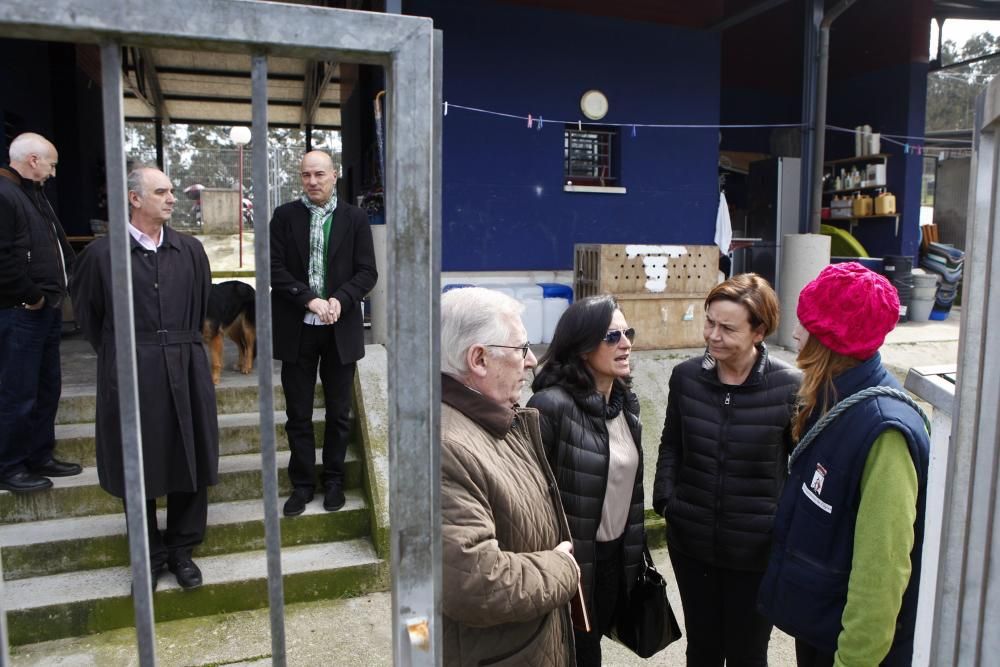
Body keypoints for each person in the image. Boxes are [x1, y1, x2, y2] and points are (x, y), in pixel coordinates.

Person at [758, 262, 931, 666]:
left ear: (832, 341)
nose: (796, 331)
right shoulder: (834, 396)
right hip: (822, 629)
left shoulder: (885, 432)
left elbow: (881, 577)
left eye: (808, 324)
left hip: (848, 650)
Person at [72, 166, 219, 590]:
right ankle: (149, 555)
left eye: (172, 190)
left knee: (188, 455)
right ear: (134, 199)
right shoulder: (102, 256)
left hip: (185, 363)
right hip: (131, 367)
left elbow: (201, 301)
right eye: (161, 191)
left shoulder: (190, 250)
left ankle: (181, 550)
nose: (172, 198)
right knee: (138, 459)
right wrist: (127, 352)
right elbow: (89, 318)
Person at [653, 273, 801, 666]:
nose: (713, 335)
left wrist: (780, 526)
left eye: (727, 327)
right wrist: (667, 501)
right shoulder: (686, 378)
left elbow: (800, 465)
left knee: (747, 653)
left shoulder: (790, 387)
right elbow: (672, 443)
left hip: (755, 551)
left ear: (759, 331)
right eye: (709, 322)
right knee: (701, 648)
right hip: (692, 543)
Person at [440, 287, 580, 666]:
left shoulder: (498, 419)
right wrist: (562, 568)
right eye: (521, 349)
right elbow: (474, 583)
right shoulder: (448, 447)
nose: (532, 360)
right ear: (479, 359)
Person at [527, 295, 646, 666]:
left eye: (627, 333)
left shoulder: (625, 404)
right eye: (612, 336)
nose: (625, 343)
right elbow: (532, 499)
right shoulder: (551, 406)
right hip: (572, 567)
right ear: (582, 348)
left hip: (615, 560)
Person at [270, 150, 377, 517]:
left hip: (339, 330)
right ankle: (302, 485)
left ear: (334, 177)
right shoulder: (284, 217)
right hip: (297, 328)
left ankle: (333, 481)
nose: (312, 181)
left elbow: (367, 272)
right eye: (305, 175)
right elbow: (275, 269)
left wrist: (340, 300)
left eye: (319, 174)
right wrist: (310, 300)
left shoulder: (355, 218)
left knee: (339, 412)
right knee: (297, 413)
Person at [0, 132, 80, 492]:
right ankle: (10, 465)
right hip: (21, 312)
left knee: (47, 387)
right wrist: (31, 296)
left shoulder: (32, 195)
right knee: (18, 391)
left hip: (42, 311)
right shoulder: (5, 195)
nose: (53, 171)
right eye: (51, 163)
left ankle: (39, 454)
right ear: (33, 160)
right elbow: (3, 258)